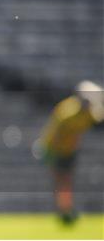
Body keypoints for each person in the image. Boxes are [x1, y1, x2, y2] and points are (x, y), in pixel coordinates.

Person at [39, 80, 104, 224]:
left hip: (70, 150)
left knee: (66, 182)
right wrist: (49, 152)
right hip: (58, 150)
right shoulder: (67, 112)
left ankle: (66, 210)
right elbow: (54, 135)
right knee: (62, 181)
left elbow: (96, 119)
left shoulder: (91, 111)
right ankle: (64, 211)